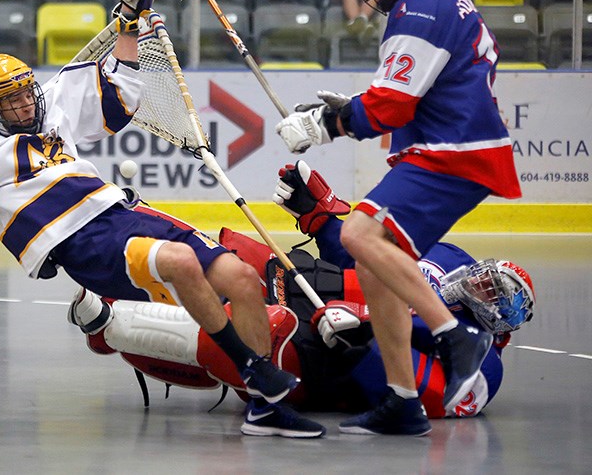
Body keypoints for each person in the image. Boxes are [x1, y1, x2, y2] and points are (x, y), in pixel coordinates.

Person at [0, 0, 321, 438]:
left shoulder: (50, 106)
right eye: (10, 101)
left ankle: (264, 410)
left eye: (25, 93)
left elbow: (120, 90)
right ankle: (253, 369)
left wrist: (131, 19)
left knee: (241, 277)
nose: (25, 105)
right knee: (179, 262)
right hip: (79, 243)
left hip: (121, 212)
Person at [274, 0, 522, 436]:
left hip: (452, 152)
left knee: (358, 233)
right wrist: (348, 109)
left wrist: (324, 125)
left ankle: (454, 333)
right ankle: (403, 402)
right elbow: (408, 95)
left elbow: (390, 106)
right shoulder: (437, 2)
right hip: (454, 148)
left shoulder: (420, 10)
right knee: (374, 264)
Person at [69, 162, 534, 427]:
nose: (478, 284)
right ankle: (123, 286)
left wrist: (361, 343)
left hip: (323, 361)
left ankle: (109, 329)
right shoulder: (451, 256)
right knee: (229, 264)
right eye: (487, 277)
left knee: (261, 337)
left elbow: (429, 395)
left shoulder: (482, 364)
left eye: (491, 294)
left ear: (498, 324)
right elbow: (367, 251)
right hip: (311, 287)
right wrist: (319, 215)